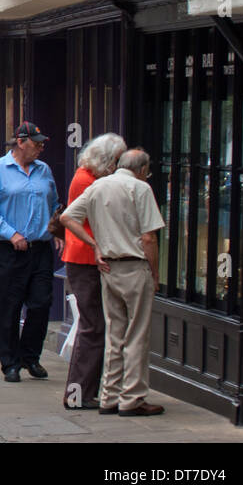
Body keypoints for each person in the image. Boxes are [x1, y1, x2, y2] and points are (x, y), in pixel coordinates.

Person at [59, 148, 165, 416]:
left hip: (108, 268)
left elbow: (67, 217)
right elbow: (149, 238)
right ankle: (132, 399)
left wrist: (95, 244)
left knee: (114, 334)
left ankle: (108, 396)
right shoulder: (140, 189)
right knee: (137, 335)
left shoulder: (99, 186)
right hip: (134, 266)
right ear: (141, 169)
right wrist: (155, 272)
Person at [0, 121, 62, 382]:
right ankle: (10, 362)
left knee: (41, 304)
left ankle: (30, 357)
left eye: (41, 144)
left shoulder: (44, 170)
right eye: (36, 143)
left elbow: (55, 203)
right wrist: (12, 234)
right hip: (11, 250)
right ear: (21, 142)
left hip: (41, 248)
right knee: (10, 307)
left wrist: (57, 228)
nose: (40, 148)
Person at [61, 133, 127, 410]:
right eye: (116, 161)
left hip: (87, 258)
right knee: (92, 327)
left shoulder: (89, 177)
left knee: (94, 327)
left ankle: (85, 392)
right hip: (86, 259)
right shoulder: (89, 181)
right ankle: (77, 394)